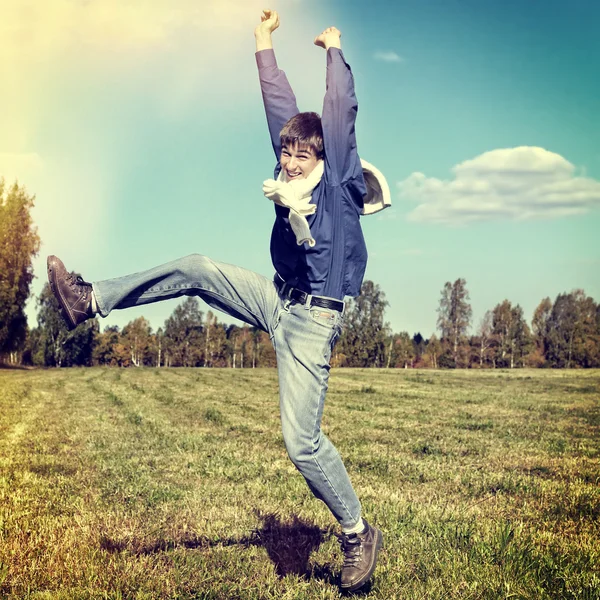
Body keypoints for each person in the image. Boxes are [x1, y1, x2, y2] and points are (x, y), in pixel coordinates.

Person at [47, 9, 389, 592]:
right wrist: (262, 44)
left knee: (301, 444)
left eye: (301, 158)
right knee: (198, 268)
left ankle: (357, 533)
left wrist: (334, 52)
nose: (288, 164)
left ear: (323, 159)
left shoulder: (337, 184)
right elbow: (280, 112)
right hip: (277, 298)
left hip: (313, 323)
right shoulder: (285, 174)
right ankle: (89, 300)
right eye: (285, 156)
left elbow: (339, 116)